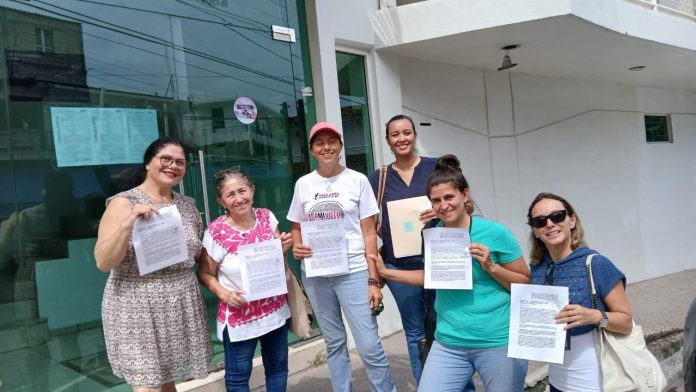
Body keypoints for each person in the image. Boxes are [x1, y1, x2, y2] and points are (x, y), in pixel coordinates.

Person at [370, 154, 530, 392]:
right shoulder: (433, 233)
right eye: (435, 200)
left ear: (465, 194)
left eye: (449, 197)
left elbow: (525, 283)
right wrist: (386, 273)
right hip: (449, 342)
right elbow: (430, 277)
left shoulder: (495, 232)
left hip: (496, 340)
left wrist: (491, 267)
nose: (443, 205)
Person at [94, 137, 212, 391]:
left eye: (180, 162)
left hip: (179, 301)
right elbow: (103, 261)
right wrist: (129, 221)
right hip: (135, 303)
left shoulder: (187, 205)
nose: (173, 166)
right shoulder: (123, 203)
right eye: (166, 159)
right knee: (147, 384)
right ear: (149, 163)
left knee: (167, 379)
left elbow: (197, 253)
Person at [287, 121, 396, 392]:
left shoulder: (357, 181)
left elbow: (369, 233)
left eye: (332, 142)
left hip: (354, 270)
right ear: (312, 150)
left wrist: (373, 280)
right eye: (320, 143)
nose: (326, 147)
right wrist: (298, 247)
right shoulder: (303, 184)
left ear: (340, 147)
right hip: (316, 274)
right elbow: (297, 226)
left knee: (369, 344)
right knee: (334, 343)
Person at [526, 192, 633, 392]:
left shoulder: (596, 264)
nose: (549, 224)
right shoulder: (538, 267)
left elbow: (626, 322)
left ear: (572, 220)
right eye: (540, 221)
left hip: (596, 381)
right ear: (535, 230)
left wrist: (591, 316)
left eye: (557, 216)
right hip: (557, 380)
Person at [198, 168, 293, 392]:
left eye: (242, 190)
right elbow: (204, 273)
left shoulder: (266, 217)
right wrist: (224, 294)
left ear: (252, 190)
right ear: (221, 201)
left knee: (278, 368)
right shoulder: (215, 232)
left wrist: (283, 249)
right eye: (231, 194)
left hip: (274, 310)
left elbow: (277, 259)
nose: (239, 198)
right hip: (240, 316)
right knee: (238, 378)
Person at [367, 114, 437, 383]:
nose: (401, 139)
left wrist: (439, 211)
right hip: (399, 266)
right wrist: (374, 276)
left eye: (406, 132)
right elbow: (369, 228)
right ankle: (426, 386)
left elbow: (463, 206)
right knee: (416, 332)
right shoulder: (379, 179)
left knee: (445, 328)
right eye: (395, 135)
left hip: (438, 262)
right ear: (387, 141)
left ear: (415, 135)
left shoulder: (435, 167)